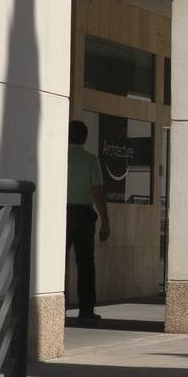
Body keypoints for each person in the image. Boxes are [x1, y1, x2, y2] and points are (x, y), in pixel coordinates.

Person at [66, 120, 111, 323]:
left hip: (61, 214)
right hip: (83, 216)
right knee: (85, 263)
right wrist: (105, 221)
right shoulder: (91, 160)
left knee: (58, 263)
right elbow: (98, 192)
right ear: (84, 138)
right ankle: (86, 310)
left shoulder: (59, 156)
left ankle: (57, 306)